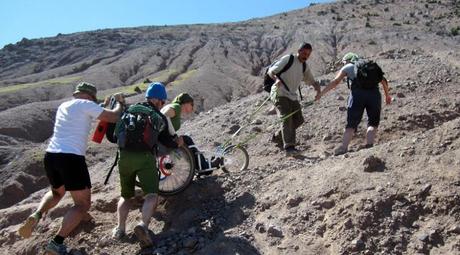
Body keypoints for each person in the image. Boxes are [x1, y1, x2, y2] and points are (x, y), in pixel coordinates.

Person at [18, 82, 125, 255]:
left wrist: (102, 105)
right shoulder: (86, 105)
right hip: (71, 158)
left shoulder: (64, 106)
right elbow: (113, 117)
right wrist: (119, 103)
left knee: (57, 193)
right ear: (90, 96)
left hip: (51, 155)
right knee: (82, 204)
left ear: (77, 94)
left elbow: (88, 111)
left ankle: (36, 215)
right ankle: (56, 242)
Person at [111, 82, 182, 248]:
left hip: (124, 157)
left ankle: (120, 229)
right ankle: (143, 226)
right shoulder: (158, 116)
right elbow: (167, 142)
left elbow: (114, 136)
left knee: (125, 195)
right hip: (145, 158)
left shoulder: (129, 110)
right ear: (158, 101)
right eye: (162, 102)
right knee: (151, 195)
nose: (162, 105)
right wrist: (178, 142)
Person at [320, 52, 392, 155]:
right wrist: (387, 96)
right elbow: (383, 81)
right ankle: (369, 145)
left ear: (348, 60)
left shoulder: (348, 67)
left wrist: (321, 94)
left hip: (357, 96)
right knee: (373, 122)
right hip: (374, 95)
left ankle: (344, 148)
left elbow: (335, 82)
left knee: (351, 124)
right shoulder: (370, 66)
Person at [268, 42, 321, 154]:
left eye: (308, 54)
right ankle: (289, 148)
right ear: (299, 51)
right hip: (279, 93)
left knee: (298, 120)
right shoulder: (289, 59)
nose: (306, 56)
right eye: (304, 53)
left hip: (292, 95)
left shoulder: (304, 66)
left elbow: (311, 80)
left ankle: (277, 137)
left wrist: (318, 88)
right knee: (286, 117)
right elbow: (271, 71)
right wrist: (276, 79)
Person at [161, 93, 221, 172]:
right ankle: (204, 166)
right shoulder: (177, 107)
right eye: (191, 104)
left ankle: (202, 163)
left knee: (185, 140)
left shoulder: (171, 107)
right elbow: (163, 117)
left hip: (163, 139)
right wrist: (172, 136)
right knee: (187, 139)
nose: (192, 108)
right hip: (165, 140)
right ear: (186, 103)